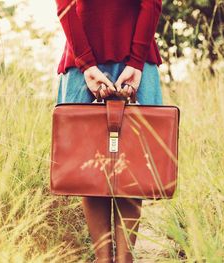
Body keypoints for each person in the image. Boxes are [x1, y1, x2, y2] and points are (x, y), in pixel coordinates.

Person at [54, 0, 163, 262]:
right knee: (107, 164)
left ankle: (114, 259)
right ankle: (114, 259)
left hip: (109, 60)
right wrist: (88, 64)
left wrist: (133, 61)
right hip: (96, 61)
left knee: (118, 162)